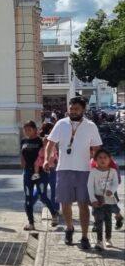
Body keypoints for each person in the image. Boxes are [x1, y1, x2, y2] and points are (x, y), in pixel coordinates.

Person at [44, 96, 102, 250]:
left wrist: (98, 165)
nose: (73, 111)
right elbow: (50, 144)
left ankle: (84, 236)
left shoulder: (91, 126)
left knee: (83, 205)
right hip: (63, 169)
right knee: (65, 203)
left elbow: (97, 148)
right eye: (71, 108)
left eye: (76, 109)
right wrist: (46, 159)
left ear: (83, 109)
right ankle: (69, 228)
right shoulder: (61, 124)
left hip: (84, 170)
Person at [19, 121, 58, 231]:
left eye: (29, 129)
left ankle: (54, 214)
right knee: (28, 198)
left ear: (35, 130)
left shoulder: (41, 141)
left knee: (42, 196)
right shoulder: (23, 141)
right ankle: (31, 223)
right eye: (25, 130)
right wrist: (23, 165)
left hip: (41, 173)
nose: (27, 132)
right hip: (27, 173)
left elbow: (49, 152)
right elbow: (22, 153)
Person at [88, 147, 121, 252]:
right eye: (100, 157)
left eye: (105, 157)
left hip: (109, 199)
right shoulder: (93, 172)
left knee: (108, 219)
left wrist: (111, 190)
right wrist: (92, 199)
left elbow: (115, 183)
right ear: (95, 159)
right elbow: (89, 186)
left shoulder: (113, 171)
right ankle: (99, 241)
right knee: (98, 220)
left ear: (110, 159)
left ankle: (108, 238)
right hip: (97, 200)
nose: (103, 159)